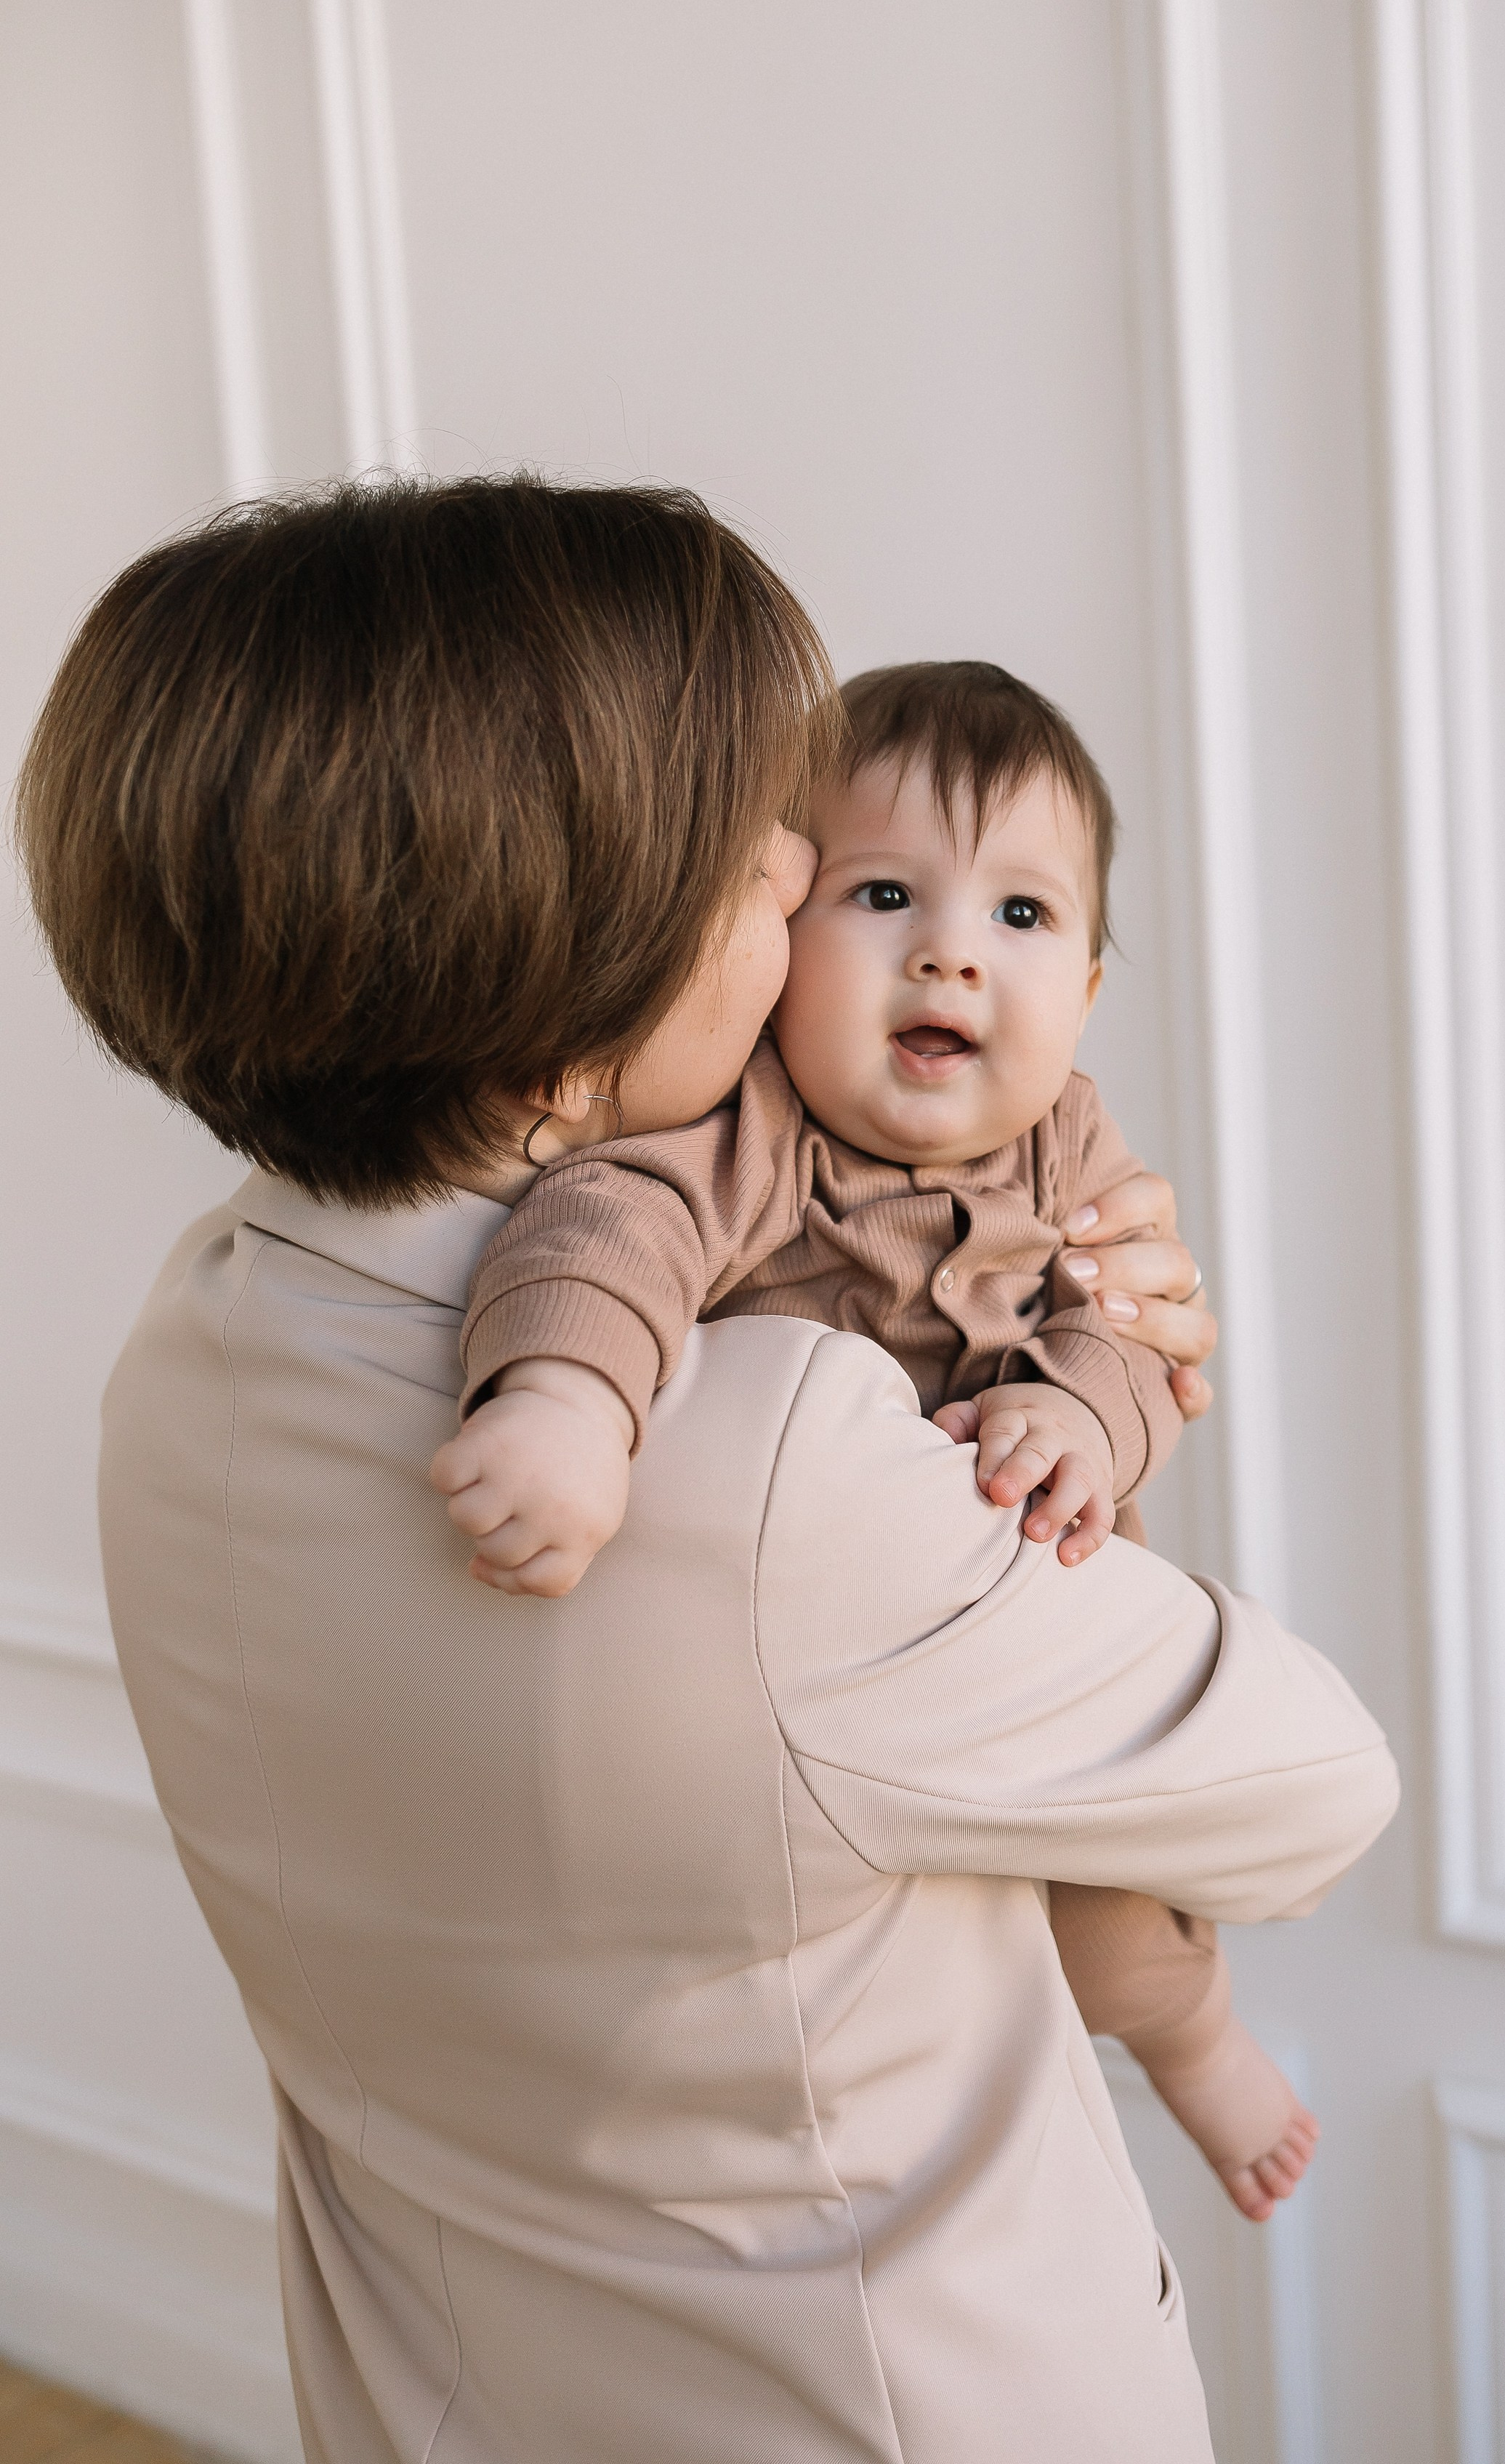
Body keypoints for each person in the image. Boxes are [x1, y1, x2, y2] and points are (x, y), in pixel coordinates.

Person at [15, 477, 1398, 2463]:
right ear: (560, 1058)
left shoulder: (190, 1347)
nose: (799, 867)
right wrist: (1146, 1379)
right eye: (750, 862)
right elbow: (1314, 1786)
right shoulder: (776, 1472)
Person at [437, 658, 1316, 2221]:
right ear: (776, 941)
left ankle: (1199, 2044)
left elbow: (1125, 1325)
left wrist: (1081, 1415)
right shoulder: (750, 1132)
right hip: (815, 1695)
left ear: (1092, 989)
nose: (951, 961)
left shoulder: (1072, 1141)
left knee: (1111, 1928)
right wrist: (564, 1403)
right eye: (887, 894)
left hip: (1030, 1631)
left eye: (1022, 920)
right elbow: (608, 1234)